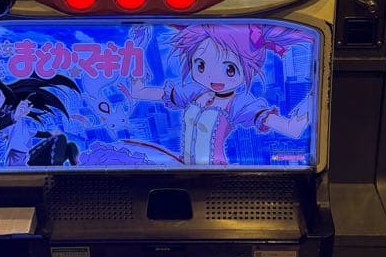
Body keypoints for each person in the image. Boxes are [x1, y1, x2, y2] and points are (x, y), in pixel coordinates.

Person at [127, 23, 310, 166]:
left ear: (250, 69)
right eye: (201, 65)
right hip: (183, 169)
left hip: (216, 174)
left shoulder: (239, 104)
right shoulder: (194, 92)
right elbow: (139, 92)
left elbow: (292, 130)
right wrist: (137, 48)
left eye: (230, 69)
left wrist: (312, 99)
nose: (214, 77)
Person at [0, 71, 80, 166]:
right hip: (16, 160)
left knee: (70, 147)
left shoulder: (10, 111)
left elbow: (25, 132)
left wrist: (47, 134)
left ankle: (74, 171)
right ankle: (56, 174)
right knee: (60, 140)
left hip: (26, 157)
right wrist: (13, 116)